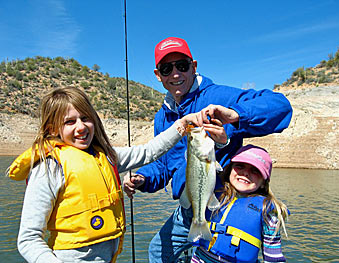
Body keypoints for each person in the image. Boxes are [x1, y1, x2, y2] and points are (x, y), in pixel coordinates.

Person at [122, 36, 293, 262]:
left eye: (182, 66)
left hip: (223, 205)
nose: (175, 74)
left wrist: (235, 115)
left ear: (194, 67)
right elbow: (163, 166)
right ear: (158, 75)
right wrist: (143, 177)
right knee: (158, 251)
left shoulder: (219, 96)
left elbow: (280, 107)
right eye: (166, 68)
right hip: (188, 209)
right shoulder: (162, 117)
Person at [7, 86, 209, 263]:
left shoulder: (107, 156)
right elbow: (28, 239)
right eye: (70, 122)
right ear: (53, 129)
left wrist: (183, 125)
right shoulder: (48, 169)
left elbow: (149, 151)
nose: (80, 127)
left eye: (85, 118)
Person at [191, 144, 288, 263]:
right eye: (240, 166)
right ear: (230, 170)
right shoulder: (212, 191)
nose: (246, 173)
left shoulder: (267, 210)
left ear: (264, 182)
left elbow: (273, 257)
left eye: (255, 171)